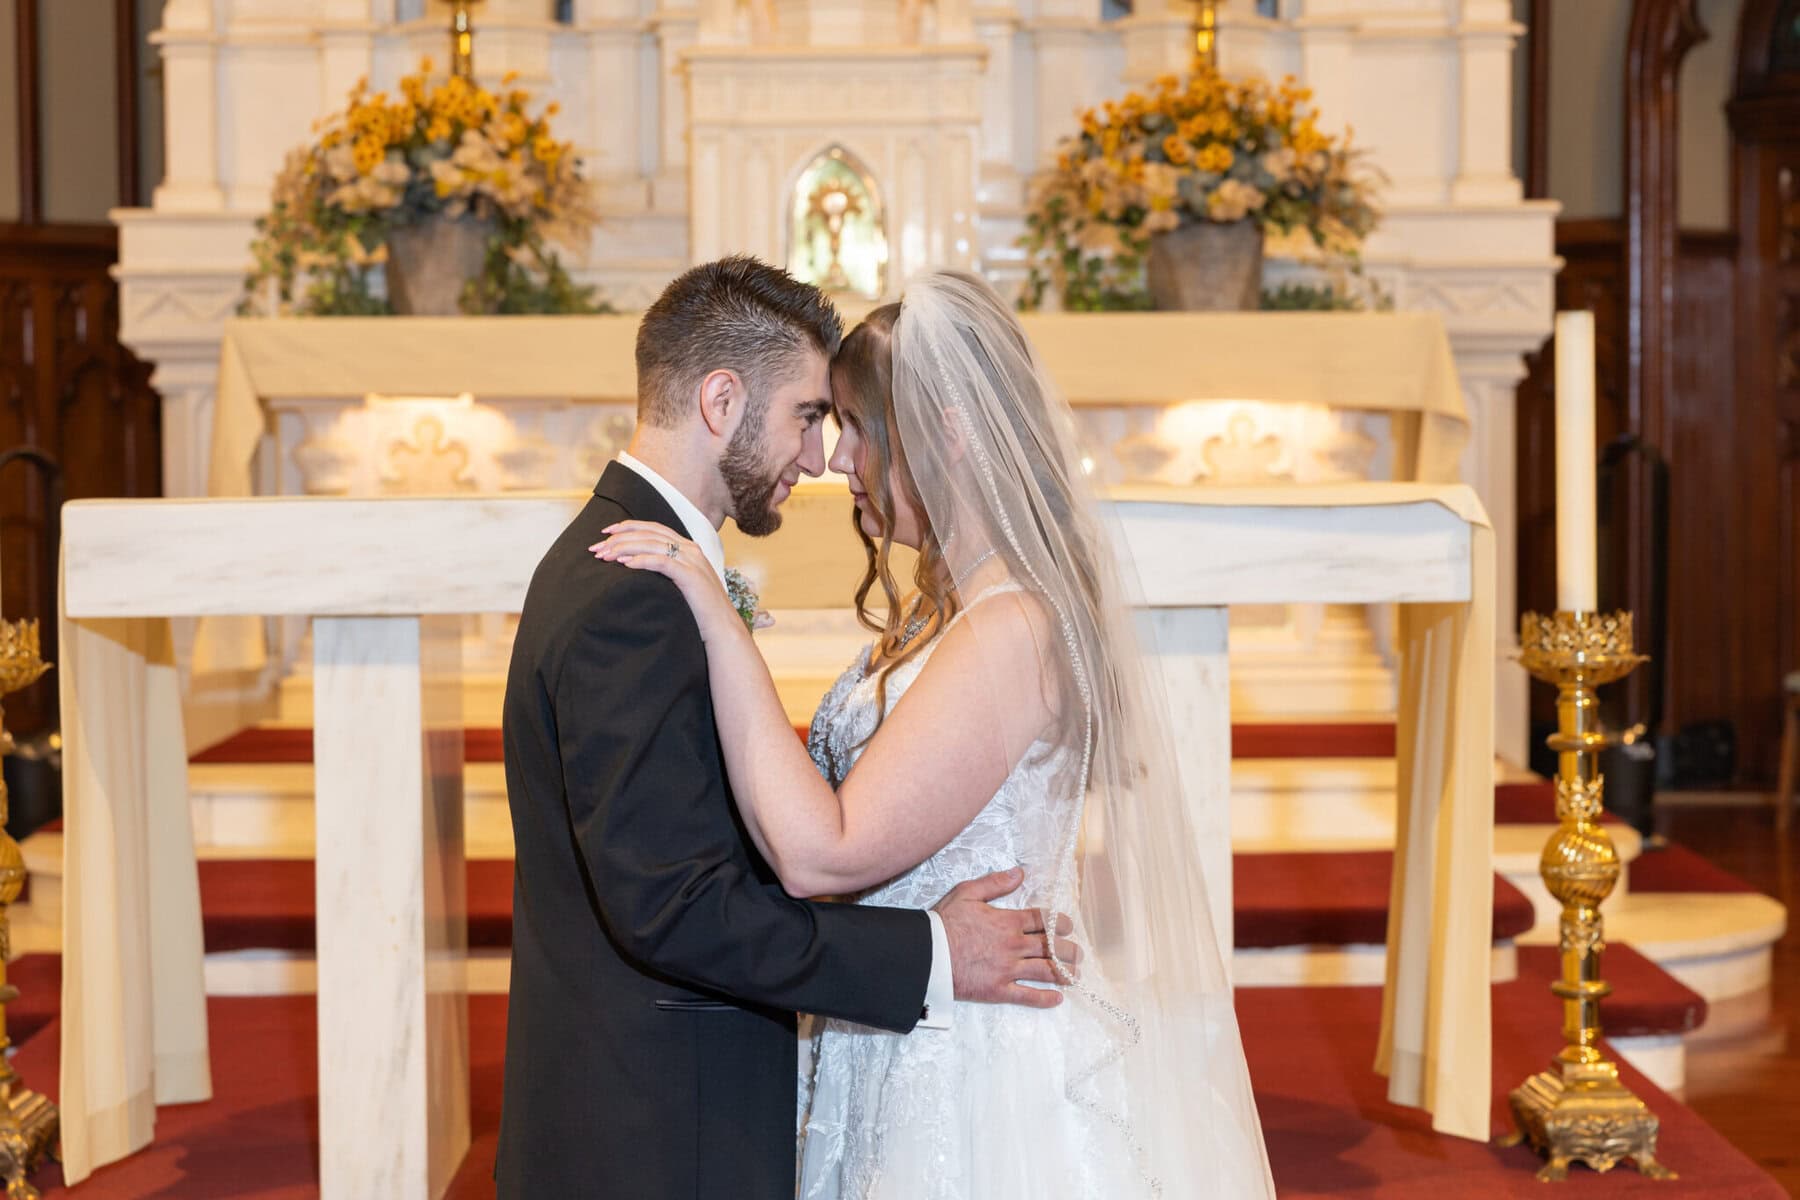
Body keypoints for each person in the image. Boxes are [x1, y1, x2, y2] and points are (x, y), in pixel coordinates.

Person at [595, 270, 1274, 1198]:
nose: (836, 462)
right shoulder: (950, 611)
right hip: (906, 1023)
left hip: (975, 1068)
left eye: (857, 428)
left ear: (944, 434)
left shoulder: (1009, 627)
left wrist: (716, 619)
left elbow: (824, 852)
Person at [496, 258, 1075, 1198]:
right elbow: (677, 906)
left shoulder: (646, 567)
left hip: (891, 1074)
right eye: (810, 417)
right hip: (657, 1128)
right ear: (721, 401)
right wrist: (932, 951)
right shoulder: (634, 595)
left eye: (841, 425)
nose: (821, 459)